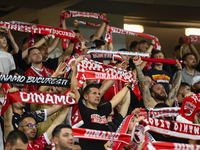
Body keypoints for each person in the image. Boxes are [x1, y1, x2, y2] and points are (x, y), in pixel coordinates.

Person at [71, 57, 131, 150]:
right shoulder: (83, 108)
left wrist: (127, 85)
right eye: (94, 93)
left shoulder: (103, 110)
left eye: (99, 94)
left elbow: (116, 99)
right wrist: (75, 66)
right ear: (86, 97)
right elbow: (74, 88)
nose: (98, 96)